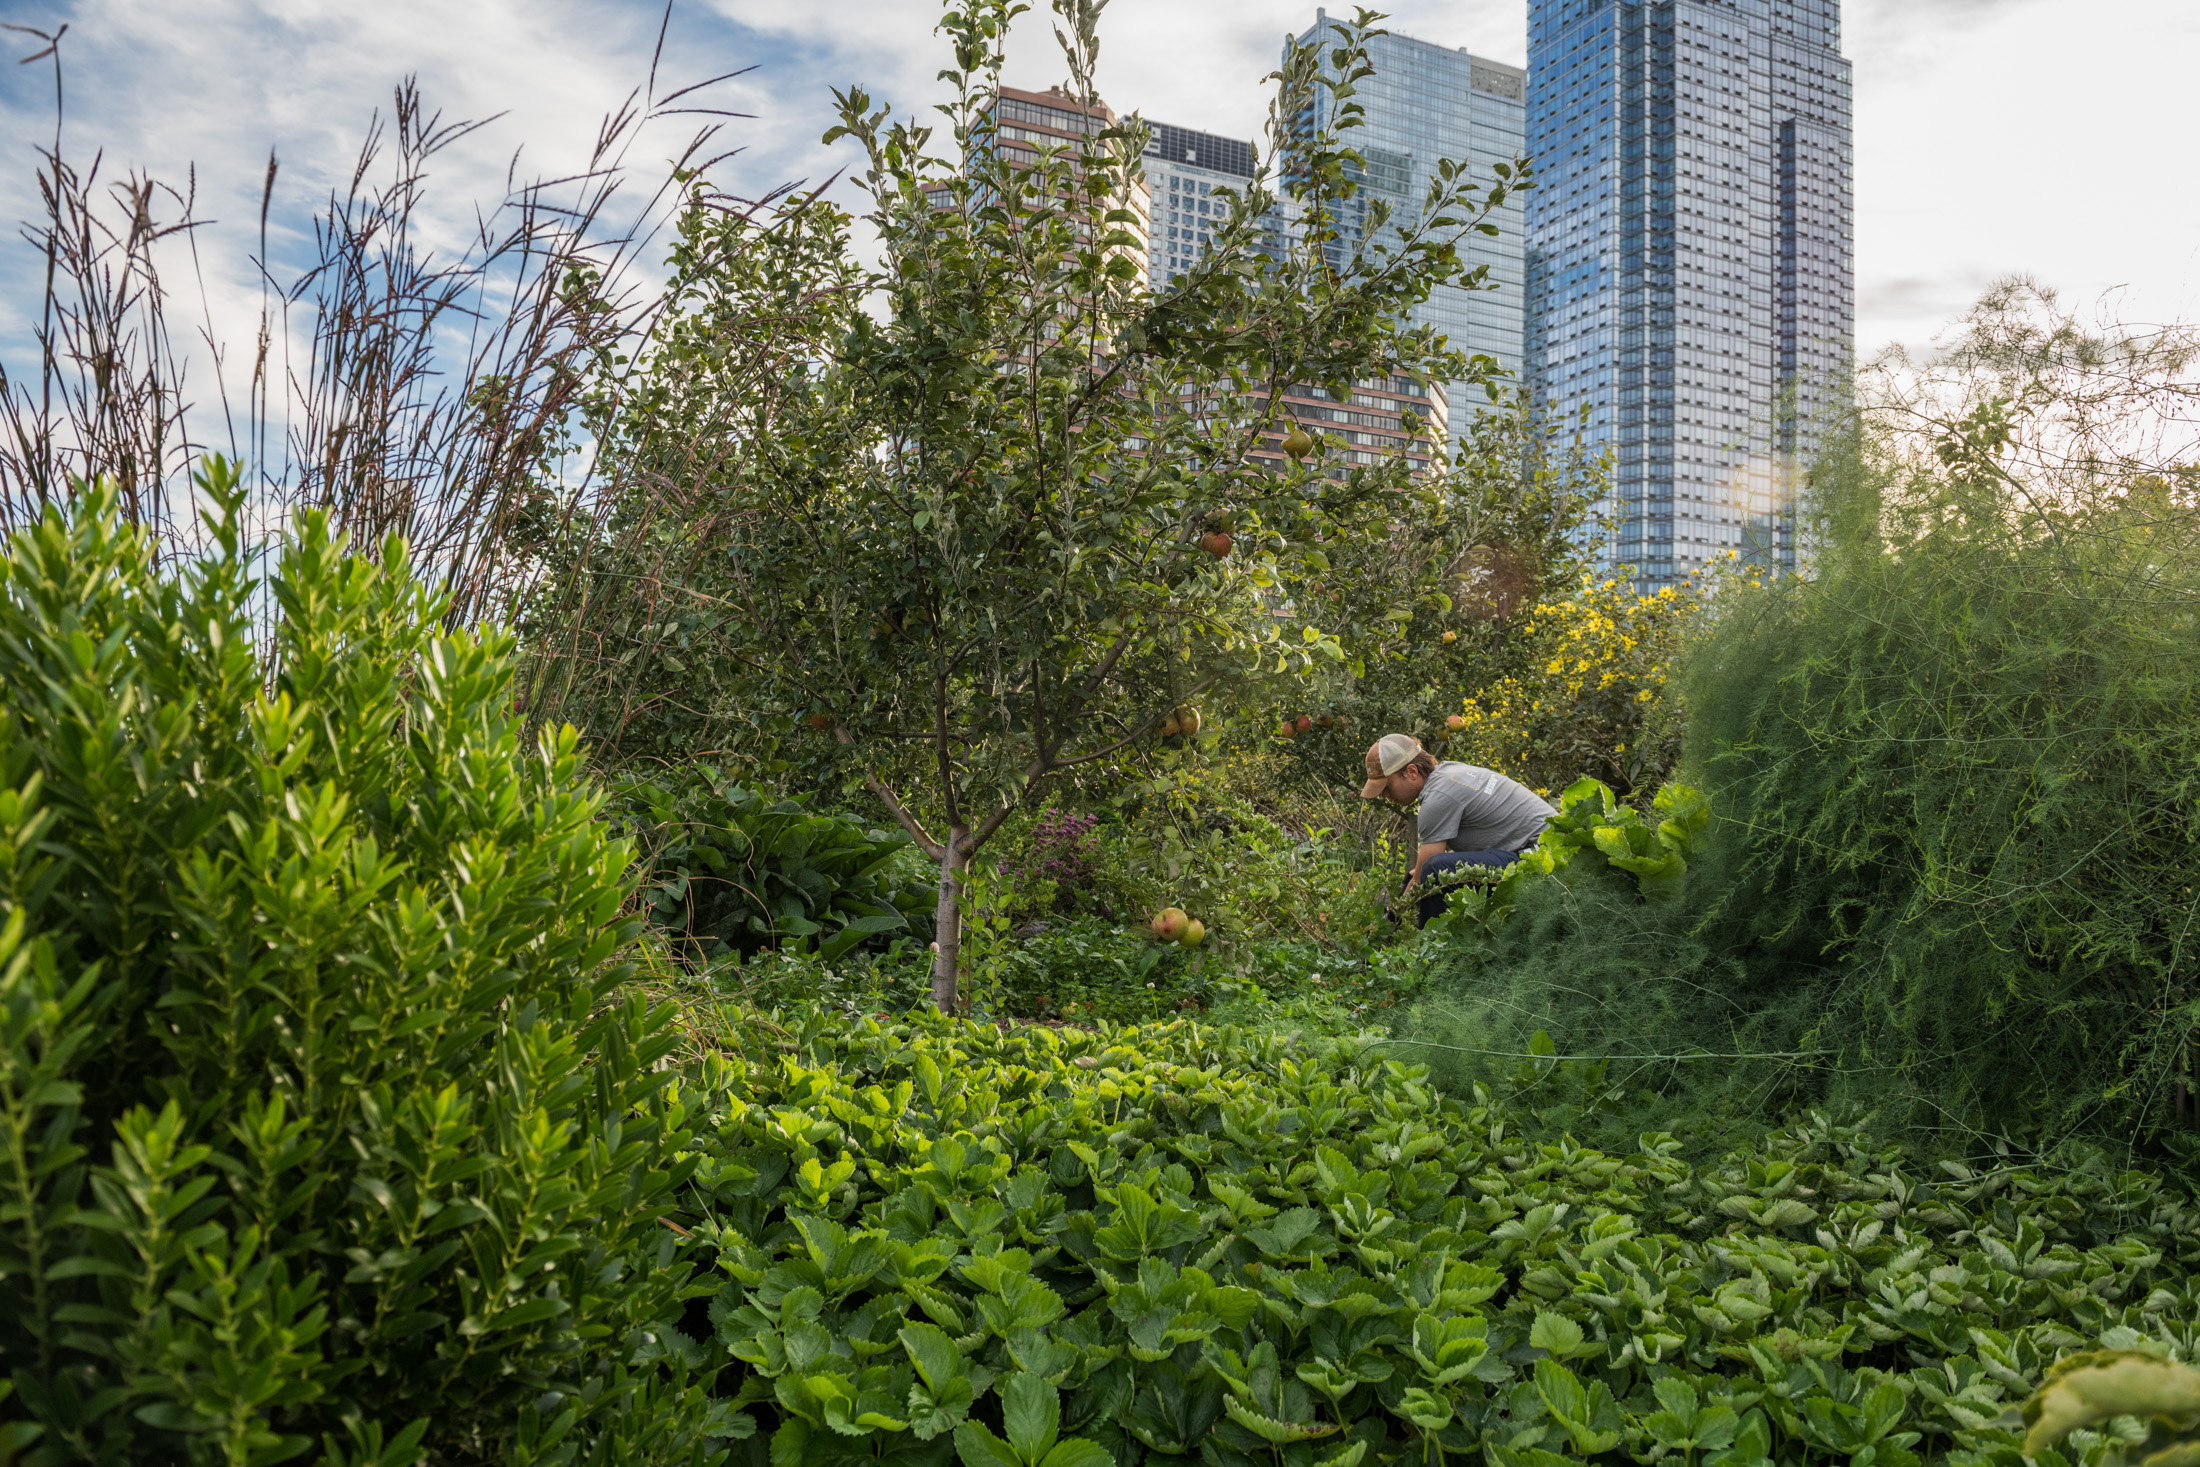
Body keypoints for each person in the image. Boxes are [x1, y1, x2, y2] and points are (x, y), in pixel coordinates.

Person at [1359, 733, 1556, 925]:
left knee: (1434, 870)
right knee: (1420, 872)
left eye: (1387, 786)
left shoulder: (1437, 797)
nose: (1384, 795)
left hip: (1544, 857)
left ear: (1412, 771)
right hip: (1538, 847)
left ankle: (1430, 943)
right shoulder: (1449, 773)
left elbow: (1423, 879)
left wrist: (1394, 916)